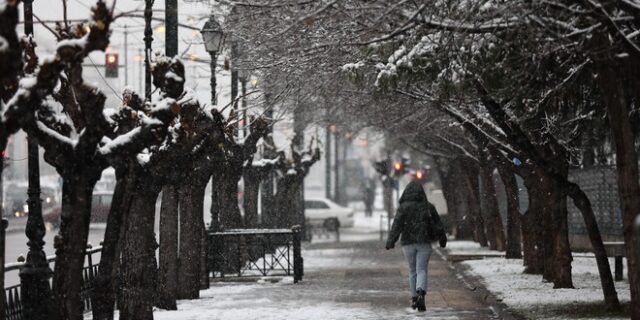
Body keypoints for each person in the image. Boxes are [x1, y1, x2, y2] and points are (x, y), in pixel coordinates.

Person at [385, 181, 447, 312]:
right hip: (424, 242)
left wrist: (391, 240)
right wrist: (442, 238)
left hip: (408, 243)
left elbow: (397, 225)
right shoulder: (428, 207)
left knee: (412, 270)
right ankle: (421, 293)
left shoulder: (403, 207)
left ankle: (414, 298)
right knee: (422, 270)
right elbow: (438, 224)